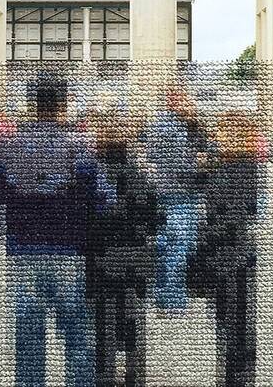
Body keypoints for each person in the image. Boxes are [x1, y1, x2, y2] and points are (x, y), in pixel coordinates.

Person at [0, 72, 113, 387]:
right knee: (76, 339)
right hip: (69, 250)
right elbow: (103, 199)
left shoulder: (6, 147)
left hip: (23, 251)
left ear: (31, 103)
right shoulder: (80, 147)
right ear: (64, 103)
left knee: (28, 337)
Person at [86, 108, 158, 387]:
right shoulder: (140, 176)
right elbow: (155, 218)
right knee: (133, 322)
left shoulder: (89, 175)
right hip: (135, 262)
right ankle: (133, 377)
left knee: (102, 326)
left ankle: (103, 378)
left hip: (101, 261)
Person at [190, 112, 260, 387]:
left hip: (230, 258)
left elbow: (230, 219)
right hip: (226, 257)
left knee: (236, 330)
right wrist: (192, 123)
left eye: (220, 132)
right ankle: (232, 379)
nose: (215, 137)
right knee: (229, 329)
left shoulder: (241, 170)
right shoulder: (227, 166)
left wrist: (201, 243)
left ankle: (237, 381)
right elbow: (193, 177)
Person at [139, 85, 208, 312]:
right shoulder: (173, 127)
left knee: (165, 244)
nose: (191, 103)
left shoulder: (162, 124)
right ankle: (172, 298)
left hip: (163, 191)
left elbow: (151, 157)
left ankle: (162, 292)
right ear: (175, 99)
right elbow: (183, 164)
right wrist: (201, 162)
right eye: (187, 98)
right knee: (180, 245)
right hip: (180, 191)